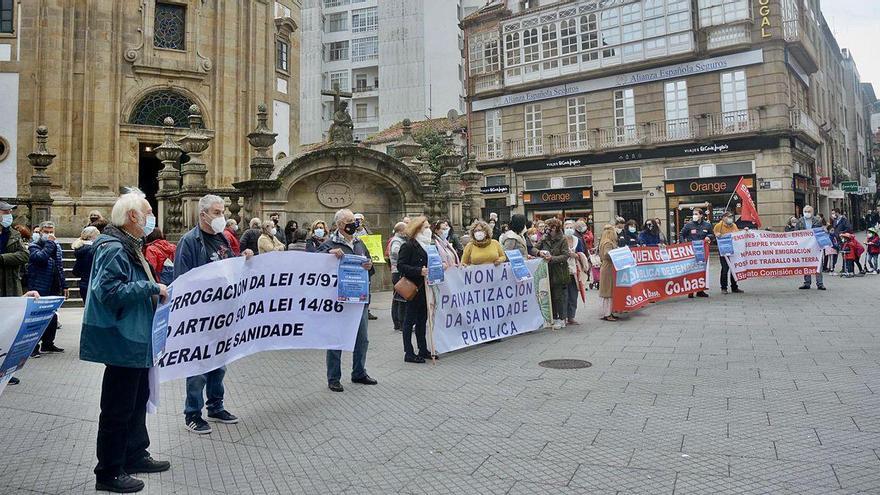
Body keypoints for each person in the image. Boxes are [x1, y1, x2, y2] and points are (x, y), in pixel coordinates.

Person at [79, 188, 171, 493]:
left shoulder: (130, 244)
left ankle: (134, 453)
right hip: (122, 339)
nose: (150, 218)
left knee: (135, 402)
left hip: (136, 339)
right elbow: (108, 292)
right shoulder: (114, 248)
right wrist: (151, 288)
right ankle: (108, 471)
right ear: (132, 216)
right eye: (146, 212)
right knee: (118, 408)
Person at [175, 194, 253, 434]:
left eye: (223, 212)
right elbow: (182, 280)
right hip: (200, 316)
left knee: (219, 363)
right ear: (203, 215)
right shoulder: (189, 242)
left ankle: (216, 406)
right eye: (217, 212)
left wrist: (244, 260)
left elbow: (230, 269)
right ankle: (193, 413)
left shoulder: (223, 239)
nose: (222, 216)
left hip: (222, 314)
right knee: (198, 366)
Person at [316, 209, 377, 392]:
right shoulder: (329, 244)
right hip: (338, 301)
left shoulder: (359, 243)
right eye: (350, 221)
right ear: (340, 225)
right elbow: (314, 267)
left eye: (354, 221)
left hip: (359, 299)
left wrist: (369, 265)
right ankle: (334, 378)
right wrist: (328, 256)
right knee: (336, 339)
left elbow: (369, 266)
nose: (354, 224)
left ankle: (359, 372)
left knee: (362, 339)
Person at [396, 217, 435, 363]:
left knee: (422, 320)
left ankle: (422, 348)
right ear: (418, 229)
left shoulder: (428, 245)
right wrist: (419, 270)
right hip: (413, 288)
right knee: (409, 321)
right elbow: (401, 265)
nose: (428, 229)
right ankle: (409, 352)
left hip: (426, 288)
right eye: (425, 227)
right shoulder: (409, 245)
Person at [28, 221, 66, 354]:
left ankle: (48, 343)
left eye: (51, 232)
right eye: (46, 231)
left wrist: (64, 285)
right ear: (40, 232)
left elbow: (59, 266)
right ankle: (33, 347)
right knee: (38, 318)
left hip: (53, 285)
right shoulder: (34, 246)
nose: (49, 234)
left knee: (52, 317)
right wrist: (50, 243)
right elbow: (40, 258)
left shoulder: (56, 246)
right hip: (39, 286)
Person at [537, 218, 570, 329]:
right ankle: (553, 318)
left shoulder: (563, 239)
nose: (546, 229)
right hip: (547, 271)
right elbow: (534, 248)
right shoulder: (544, 238)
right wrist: (539, 252)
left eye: (549, 227)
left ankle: (561, 319)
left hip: (559, 272)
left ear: (555, 228)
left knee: (558, 296)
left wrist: (552, 258)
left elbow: (565, 255)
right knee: (549, 295)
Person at [679, 208, 714, 298]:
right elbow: (681, 234)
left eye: (696, 214)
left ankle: (700, 290)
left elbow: (712, 234)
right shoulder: (689, 225)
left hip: (702, 251)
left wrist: (709, 237)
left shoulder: (707, 225)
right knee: (691, 270)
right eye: (693, 214)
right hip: (692, 251)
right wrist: (684, 244)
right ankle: (690, 291)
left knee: (701, 270)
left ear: (701, 215)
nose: (694, 216)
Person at [562, 220, 588, 326]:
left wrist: (576, 255)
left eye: (571, 227)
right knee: (564, 295)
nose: (569, 229)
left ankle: (571, 317)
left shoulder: (578, 240)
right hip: (563, 270)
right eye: (567, 227)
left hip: (575, 270)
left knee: (573, 294)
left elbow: (581, 253)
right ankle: (563, 317)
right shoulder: (561, 240)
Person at [0, 201, 28, 298]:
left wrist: (3, 258)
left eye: (10, 212)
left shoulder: (14, 234)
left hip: (11, 282)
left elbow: (25, 255)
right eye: (6, 212)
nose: (9, 215)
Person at [797, 206, 826, 290]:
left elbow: (821, 232)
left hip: (815, 246)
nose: (807, 213)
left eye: (809, 211)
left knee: (818, 264)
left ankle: (820, 283)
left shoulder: (817, 221)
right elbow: (796, 233)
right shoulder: (800, 221)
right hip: (805, 246)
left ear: (812, 212)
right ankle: (807, 283)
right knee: (806, 263)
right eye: (805, 211)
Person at [713, 211, 743, 294]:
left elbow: (738, 236)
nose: (730, 218)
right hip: (724, 252)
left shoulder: (734, 225)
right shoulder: (719, 226)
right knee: (725, 269)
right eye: (728, 217)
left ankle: (734, 287)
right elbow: (714, 235)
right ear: (723, 218)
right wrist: (717, 234)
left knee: (734, 269)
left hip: (733, 251)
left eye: (731, 217)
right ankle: (724, 288)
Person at [388, 222, 407, 332]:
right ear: (400, 231)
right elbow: (395, 251)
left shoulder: (400, 239)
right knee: (400, 299)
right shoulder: (397, 240)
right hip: (398, 272)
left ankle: (399, 322)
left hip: (397, 272)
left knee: (398, 298)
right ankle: (400, 323)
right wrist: (404, 257)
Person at [72, 226, 100, 300]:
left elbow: (76, 271)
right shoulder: (94, 250)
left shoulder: (81, 249)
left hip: (84, 284)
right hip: (93, 284)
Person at [598, 224, 618, 321]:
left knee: (607, 291)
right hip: (608, 267)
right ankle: (607, 313)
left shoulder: (603, 242)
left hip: (606, 267)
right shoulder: (608, 243)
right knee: (608, 291)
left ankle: (608, 312)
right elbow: (607, 254)